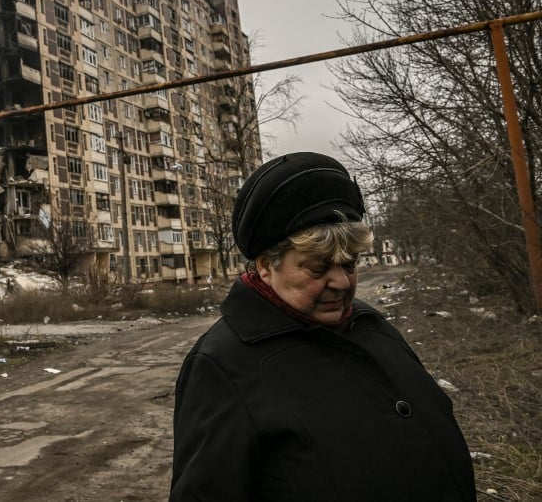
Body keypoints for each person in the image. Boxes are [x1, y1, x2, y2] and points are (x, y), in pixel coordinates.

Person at [170, 152, 476, 501]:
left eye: (349, 264)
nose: (342, 283)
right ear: (267, 266)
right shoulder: (221, 365)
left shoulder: (371, 326)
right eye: (318, 268)